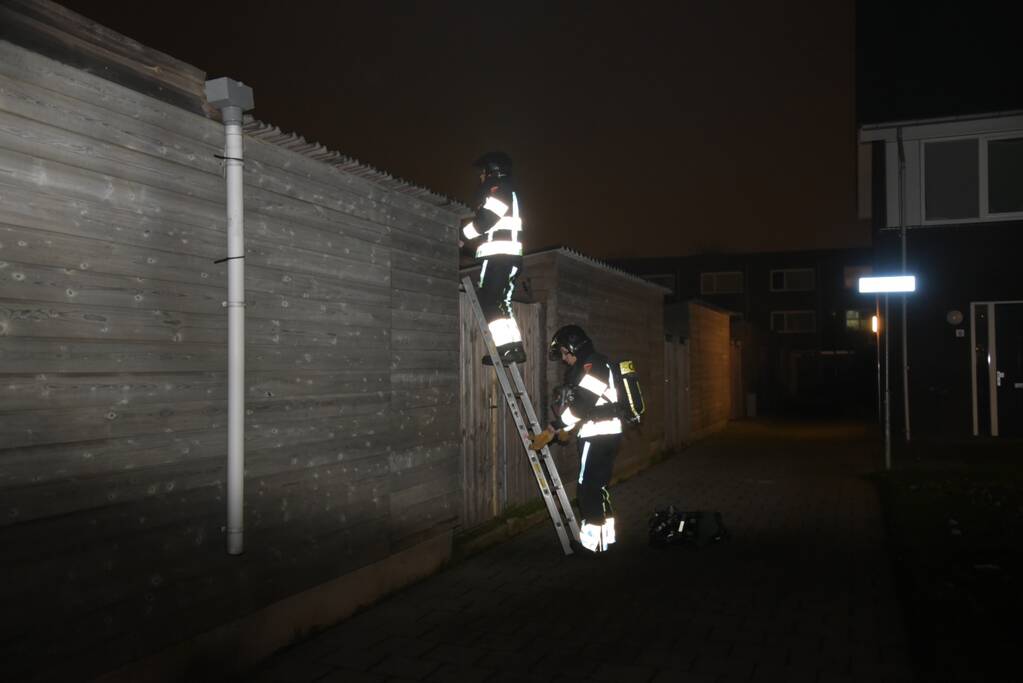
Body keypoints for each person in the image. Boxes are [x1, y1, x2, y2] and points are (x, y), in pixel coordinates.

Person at [530, 325, 623, 553]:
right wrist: (567, 428)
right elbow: (585, 406)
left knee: (588, 489)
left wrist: (554, 427)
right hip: (607, 432)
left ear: (573, 347)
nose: (563, 359)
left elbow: (583, 405)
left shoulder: (593, 365)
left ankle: (592, 546)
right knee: (599, 487)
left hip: (597, 434)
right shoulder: (595, 363)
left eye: (564, 353)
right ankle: (605, 539)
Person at [460, 151, 526, 366]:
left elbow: (486, 220)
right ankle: (513, 348)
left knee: (489, 301)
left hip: (499, 257)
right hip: (508, 257)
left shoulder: (498, 189)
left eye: (483, 172)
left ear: (493, 171)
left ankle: (506, 349)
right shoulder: (508, 190)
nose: (480, 177)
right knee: (501, 303)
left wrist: (460, 236)